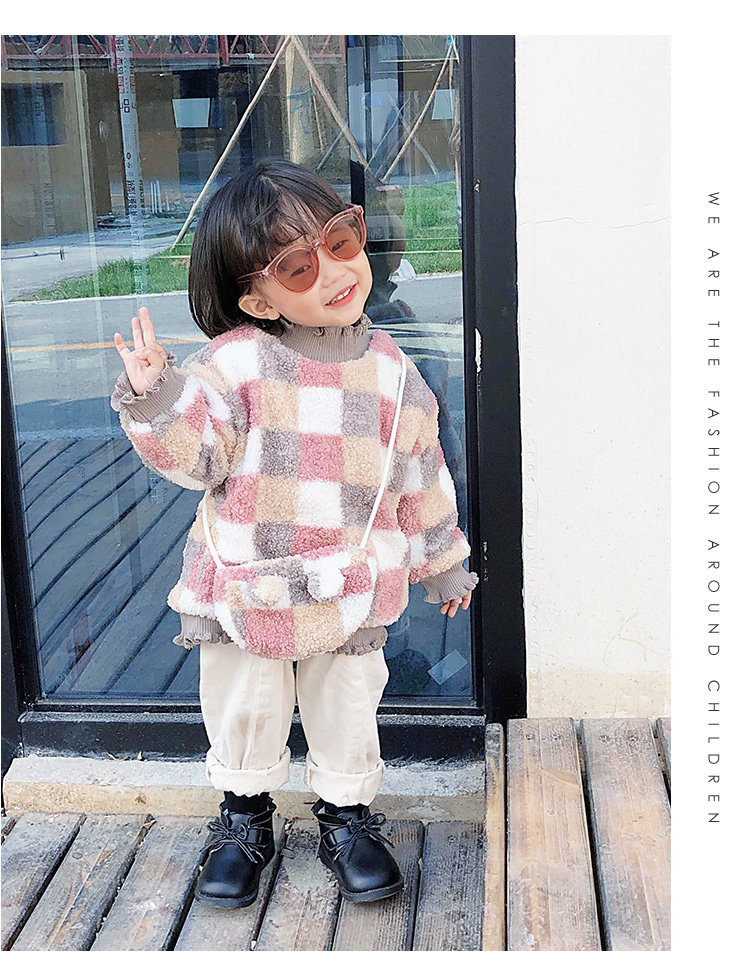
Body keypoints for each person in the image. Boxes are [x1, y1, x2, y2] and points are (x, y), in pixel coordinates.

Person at [111, 159, 478, 909]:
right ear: (256, 297)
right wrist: (158, 395)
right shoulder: (235, 363)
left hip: (350, 578)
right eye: (299, 266)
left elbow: (420, 473)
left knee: (348, 700)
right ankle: (245, 816)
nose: (335, 271)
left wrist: (442, 562)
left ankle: (345, 817)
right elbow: (197, 454)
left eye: (341, 241)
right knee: (244, 700)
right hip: (247, 578)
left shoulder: (393, 372)